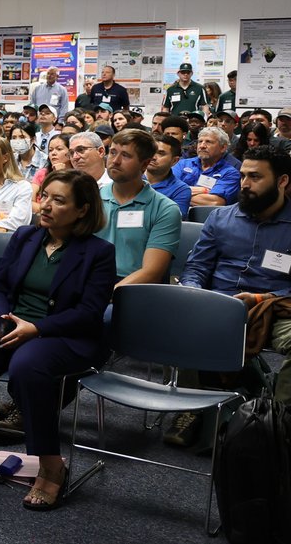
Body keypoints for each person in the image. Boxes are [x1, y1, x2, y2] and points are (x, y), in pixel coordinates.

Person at [0, 169, 114, 508]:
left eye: (58, 200)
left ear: (82, 209)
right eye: (45, 196)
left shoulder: (98, 252)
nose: (46, 205)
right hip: (11, 326)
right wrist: (0, 318)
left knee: (26, 366)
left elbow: (89, 312)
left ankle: (50, 464)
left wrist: (36, 329)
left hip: (64, 334)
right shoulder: (25, 237)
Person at [169, 145, 291, 445]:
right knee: (181, 317)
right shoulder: (221, 218)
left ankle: (275, 419)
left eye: (255, 177)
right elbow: (196, 267)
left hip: (272, 308)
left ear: (282, 181)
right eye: (242, 176)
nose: (245, 184)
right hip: (218, 304)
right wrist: (193, 290)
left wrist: (262, 298)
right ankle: (191, 408)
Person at [98, 129, 181, 284]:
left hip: (133, 288)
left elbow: (151, 273)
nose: (115, 161)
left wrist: (103, 295)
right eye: (113, 152)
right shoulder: (92, 198)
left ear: (144, 164)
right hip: (89, 279)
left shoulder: (165, 209)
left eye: (126, 155)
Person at [172, 126, 241, 206]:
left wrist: (175, 193)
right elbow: (165, 187)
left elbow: (215, 202)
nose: (202, 146)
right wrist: (204, 190)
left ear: (223, 148)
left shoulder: (230, 173)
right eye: (200, 141)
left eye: (208, 142)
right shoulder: (182, 164)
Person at [146, 134, 193, 218]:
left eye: (161, 153)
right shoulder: (130, 178)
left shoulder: (180, 190)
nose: (153, 157)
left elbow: (172, 221)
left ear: (174, 161)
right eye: (151, 151)